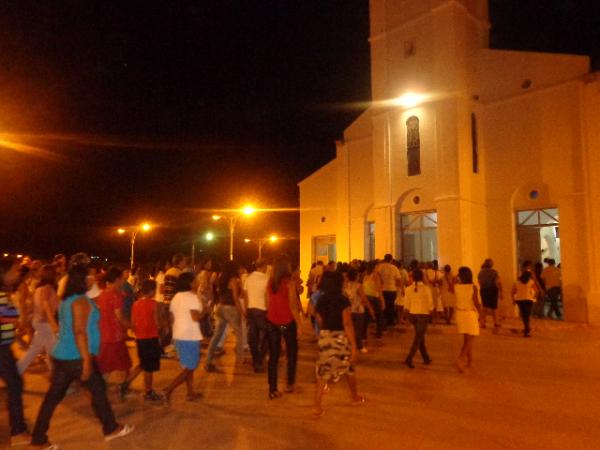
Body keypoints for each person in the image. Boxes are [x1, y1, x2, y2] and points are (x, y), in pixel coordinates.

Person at [30, 259, 134, 448]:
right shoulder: (80, 302)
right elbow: (79, 331)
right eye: (90, 275)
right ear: (83, 279)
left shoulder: (67, 300)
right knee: (98, 391)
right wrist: (87, 360)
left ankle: (38, 438)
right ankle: (111, 429)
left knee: (53, 398)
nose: (94, 277)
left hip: (63, 354)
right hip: (77, 356)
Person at [313, 271, 365, 418]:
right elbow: (347, 323)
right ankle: (353, 397)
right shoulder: (343, 300)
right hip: (339, 338)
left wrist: (325, 329)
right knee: (346, 368)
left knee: (328, 370)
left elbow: (318, 317)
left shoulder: (321, 299)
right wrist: (354, 345)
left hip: (325, 336)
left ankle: (318, 405)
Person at [0, 257, 29, 447]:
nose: (17, 274)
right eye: (15, 270)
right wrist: (20, 317)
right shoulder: (2, 296)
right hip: (1, 349)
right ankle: (18, 430)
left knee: (15, 383)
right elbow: (7, 318)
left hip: (4, 347)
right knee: (15, 384)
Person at [162, 272, 204, 403]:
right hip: (190, 335)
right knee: (191, 367)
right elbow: (195, 317)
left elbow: (171, 317)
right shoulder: (192, 297)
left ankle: (190, 393)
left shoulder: (176, 297)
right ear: (190, 283)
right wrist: (205, 312)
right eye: (196, 280)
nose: (197, 282)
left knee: (187, 366)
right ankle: (168, 389)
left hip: (179, 334)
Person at [266, 255, 302, 399]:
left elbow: (267, 302)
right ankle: (289, 384)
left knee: (273, 357)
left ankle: (272, 389)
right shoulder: (289, 283)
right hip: (287, 323)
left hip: (272, 322)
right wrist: (299, 324)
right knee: (291, 353)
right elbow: (293, 306)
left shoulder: (270, 282)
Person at [122, 279, 162, 402]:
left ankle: (125, 383)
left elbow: (133, 324)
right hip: (151, 338)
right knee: (149, 368)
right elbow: (156, 322)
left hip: (140, 339)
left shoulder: (136, 304)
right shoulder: (153, 304)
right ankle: (148, 392)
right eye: (155, 289)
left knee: (143, 364)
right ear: (151, 291)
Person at [96, 267, 132, 398]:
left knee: (105, 367)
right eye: (122, 278)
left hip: (103, 335)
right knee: (121, 368)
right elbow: (120, 316)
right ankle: (117, 394)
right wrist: (132, 326)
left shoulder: (102, 294)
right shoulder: (115, 295)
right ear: (117, 279)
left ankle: (103, 392)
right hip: (114, 336)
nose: (123, 281)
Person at [17, 264, 59, 374]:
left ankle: (16, 371)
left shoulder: (38, 288)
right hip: (45, 323)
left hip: (38, 321)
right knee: (55, 351)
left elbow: (33, 306)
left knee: (35, 350)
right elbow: (46, 306)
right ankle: (57, 378)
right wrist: (53, 323)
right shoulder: (47, 289)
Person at [205, 261, 244, 372]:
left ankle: (208, 361)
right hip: (231, 308)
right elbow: (236, 298)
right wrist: (241, 312)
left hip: (220, 308)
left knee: (216, 336)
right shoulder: (233, 280)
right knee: (240, 335)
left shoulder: (221, 279)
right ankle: (239, 361)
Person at [243, 259, 269, 373]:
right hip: (262, 311)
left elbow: (245, 295)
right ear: (263, 267)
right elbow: (267, 297)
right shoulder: (266, 279)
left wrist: (246, 309)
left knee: (253, 338)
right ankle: (260, 358)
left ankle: (256, 360)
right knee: (267, 335)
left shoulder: (248, 278)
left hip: (251, 310)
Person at [403, 269, 433, 368]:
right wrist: (432, 313)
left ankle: (426, 357)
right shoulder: (426, 288)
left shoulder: (408, 289)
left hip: (412, 314)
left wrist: (405, 316)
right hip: (423, 315)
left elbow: (406, 305)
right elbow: (430, 303)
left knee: (420, 337)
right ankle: (409, 358)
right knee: (418, 337)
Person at [454, 267, 482, 373]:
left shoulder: (456, 287)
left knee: (467, 339)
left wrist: (454, 279)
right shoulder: (473, 287)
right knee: (471, 338)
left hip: (460, 313)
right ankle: (461, 358)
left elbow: (451, 288)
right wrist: (481, 314)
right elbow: (476, 302)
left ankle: (470, 361)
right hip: (470, 313)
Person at [344, 268, 374, 353]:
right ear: (356, 276)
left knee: (349, 328)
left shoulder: (345, 286)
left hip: (348, 310)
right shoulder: (358, 286)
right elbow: (364, 299)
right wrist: (370, 308)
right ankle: (359, 346)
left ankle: (348, 345)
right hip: (358, 310)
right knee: (358, 329)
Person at [362, 261, 385, 345]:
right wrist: (382, 300)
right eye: (377, 266)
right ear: (375, 267)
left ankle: (364, 338)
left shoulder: (365, 275)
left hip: (366, 298)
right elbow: (379, 289)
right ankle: (379, 337)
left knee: (365, 319)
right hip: (374, 298)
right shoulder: (376, 275)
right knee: (379, 318)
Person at [477, 259, 503, 330]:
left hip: (484, 290)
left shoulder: (481, 272)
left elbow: (479, 282)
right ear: (491, 264)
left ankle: (482, 323)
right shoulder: (494, 272)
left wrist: (483, 287)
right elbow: (498, 282)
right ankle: (496, 322)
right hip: (493, 290)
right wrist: (501, 291)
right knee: (494, 307)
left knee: (484, 307)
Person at [377, 254, 401, 328]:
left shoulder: (379, 267)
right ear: (391, 260)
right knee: (390, 306)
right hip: (391, 289)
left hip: (381, 289)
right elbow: (398, 279)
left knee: (382, 306)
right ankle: (390, 321)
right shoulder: (394, 268)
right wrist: (400, 288)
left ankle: (382, 321)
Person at [512, 271, 538, 337]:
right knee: (527, 315)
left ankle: (527, 328)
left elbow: (513, 292)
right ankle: (527, 329)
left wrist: (513, 300)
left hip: (520, 300)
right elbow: (536, 291)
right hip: (528, 300)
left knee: (524, 315)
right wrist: (534, 297)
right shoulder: (531, 282)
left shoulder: (517, 282)